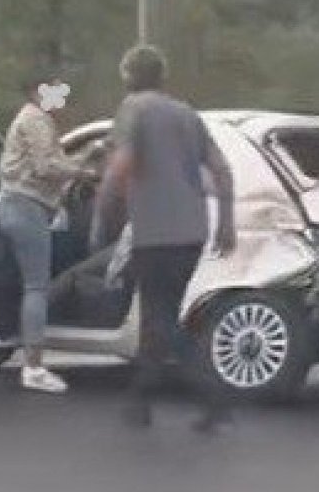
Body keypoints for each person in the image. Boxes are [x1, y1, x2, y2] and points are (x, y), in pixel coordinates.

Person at [92, 44, 236, 433]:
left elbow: (119, 169)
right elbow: (222, 171)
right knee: (160, 317)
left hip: (156, 232)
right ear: (162, 75)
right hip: (192, 232)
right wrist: (226, 223)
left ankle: (213, 395)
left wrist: (104, 217)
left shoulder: (133, 109)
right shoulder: (187, 114)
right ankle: (139, 402)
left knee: (161, 319)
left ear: (128, 76)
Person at [0, 76, 94, 393]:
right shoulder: (37, 120)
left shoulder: (31, 120)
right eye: (54, 93)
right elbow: (46, 167)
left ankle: (15, 338)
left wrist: (84, 158)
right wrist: (85, 171)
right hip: (27, 206)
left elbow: (53, 164)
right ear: (37, 93)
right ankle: (34, 367)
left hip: (17, 205)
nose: (60, 99)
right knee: (37, 286)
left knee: (26, 282)